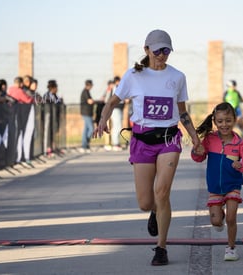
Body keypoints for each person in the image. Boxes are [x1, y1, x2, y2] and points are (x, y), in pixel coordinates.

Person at [94, 29, 200, 266]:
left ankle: (161, 247)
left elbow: (182, 112)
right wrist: (103, 119)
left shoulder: (178, 77)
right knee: (145, 202)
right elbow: (112, 102)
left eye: (166, 50)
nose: (162, 55)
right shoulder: (133, 76)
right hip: (142, 140)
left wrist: (194, 137)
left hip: (169, 140)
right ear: (146, 50)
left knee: (162, 192)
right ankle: (155, 211)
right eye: (158, 50)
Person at [191, 102, 243, 261]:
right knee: (216, 221)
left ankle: (231, 248)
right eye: (220, 121)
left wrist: (241, 165)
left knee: (231, 218)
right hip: (214, 188)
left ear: (234, 120)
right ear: (215, 121)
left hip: (232, 186)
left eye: (228, 120)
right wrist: (196, 151)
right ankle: (220, 218)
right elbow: (199, 157)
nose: (224, 124)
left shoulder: (239, 143)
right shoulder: (209, 139)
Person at [80, 79, 95, 151]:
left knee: (86, 130)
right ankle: (85, 143)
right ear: (89, 85)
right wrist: (97, 101)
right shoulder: (85, 92)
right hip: (86, 113)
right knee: (91, 129)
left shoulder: (87, 92)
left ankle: (84, 145)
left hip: (88, 113)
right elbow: (90, 101)